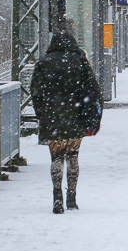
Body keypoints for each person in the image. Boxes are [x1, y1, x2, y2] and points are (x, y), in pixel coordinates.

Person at [30, 28, 103, 214]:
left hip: (52, 118)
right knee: (73, 156)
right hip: (76, 117)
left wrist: (42, 114)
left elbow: (36, 92)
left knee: (56, 158)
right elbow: (92, 91)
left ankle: (56, 198)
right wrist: (92, 117)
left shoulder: (43, 62)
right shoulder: (80, 61)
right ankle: (72, 197)